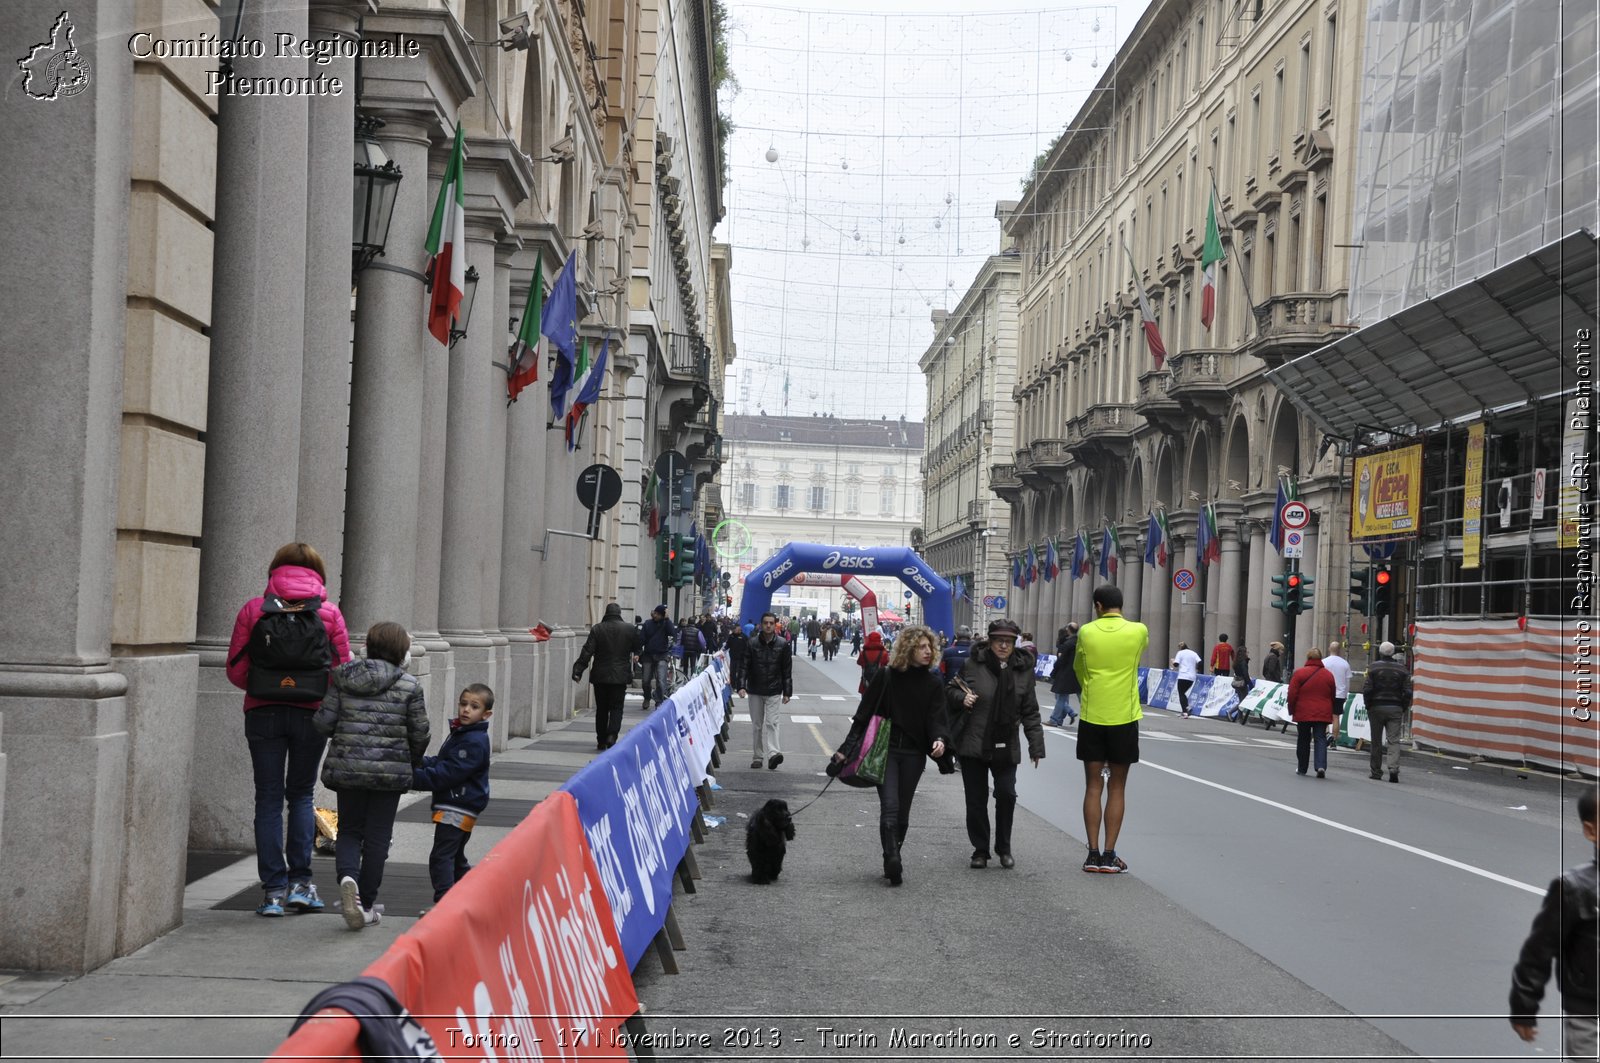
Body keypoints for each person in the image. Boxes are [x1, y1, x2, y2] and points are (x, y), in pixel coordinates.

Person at [227, 541, 353, 917]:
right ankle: (301, 884)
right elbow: (342, 671)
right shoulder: (329, 613)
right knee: (299, 796)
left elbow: (234, 669)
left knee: (267, 798)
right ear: (318, 573)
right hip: (310, 714)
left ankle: (273, 892)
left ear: (275, 569)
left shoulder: (254, 609)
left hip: (263, 712)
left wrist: (268, 686)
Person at [314, 621, 430, 930]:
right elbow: (420, 733)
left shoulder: (343, 679)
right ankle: (365, 904)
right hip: (389, 774)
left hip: (349, 768)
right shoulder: (409, 685)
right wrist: (411, 762)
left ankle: (347, 876)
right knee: (379, 836)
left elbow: (323, 723)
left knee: (350, 830)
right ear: (403, 652)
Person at [832, 625, 950, 886]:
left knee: (903, 812)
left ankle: (893, 850)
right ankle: (892, 857)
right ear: (908, 649)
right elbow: (863, 716)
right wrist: (845, 750)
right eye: (921, 646)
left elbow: (937, 719)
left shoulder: (933, 682)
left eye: (930, 646)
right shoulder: (887, 676)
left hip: (914, 754)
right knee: (890, 806)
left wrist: (940, 740)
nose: (928, 651)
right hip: (885, 750)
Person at [947, 619, 1045, 870]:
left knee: (1006, 794)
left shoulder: (1023, 670)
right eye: (998, 641)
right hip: (974, 742)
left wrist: (1036, 746)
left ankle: (1004, 847)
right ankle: (980, 850)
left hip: (1006, 743)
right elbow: (950, 691)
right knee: (976, 799)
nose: (1003, 645)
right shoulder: (972, 664)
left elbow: (1031, 712)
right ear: (989, 642)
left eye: (1008, 641)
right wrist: (962, 698)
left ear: (1015, 644)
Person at [1510, 785, 1599, 1059]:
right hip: (1589, 1015)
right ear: (1590, 831)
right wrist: (1524, 1007)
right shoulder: (1573, 888)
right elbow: (1538, 951)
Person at [1073, 585, 1149, 874]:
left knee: (1093, 785)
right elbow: (1137, 659)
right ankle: (1109, 855)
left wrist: (1092, 687)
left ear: (1098, 605)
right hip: (1125, 716)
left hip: (1093, 714)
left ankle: (1091, 854)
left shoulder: (1086, 632)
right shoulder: (1138, 630)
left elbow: (1079, 667)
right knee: (1117, 786)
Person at [413, 684, 493, 905]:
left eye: (474, 706)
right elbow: (443, 762)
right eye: (463, 704)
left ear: (486, 714)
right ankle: (473, 898)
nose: (466, 709)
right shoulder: (464, 734)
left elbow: (447, 774)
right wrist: (419, 763)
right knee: (455, 857)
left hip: (458, 806)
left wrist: (412, 778)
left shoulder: (473, 741)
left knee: (441, 857)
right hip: (458, 804)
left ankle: (444, 904)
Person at [573, 603, 642, 750]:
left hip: (601, 675)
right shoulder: (629, 629)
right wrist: (636, 654)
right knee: (617, 707)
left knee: (602, 709)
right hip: (620, 676)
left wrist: (578, 670)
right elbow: (638, 645)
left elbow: (587, 651)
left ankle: (601, 739)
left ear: (606, 613)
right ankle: (612, 735)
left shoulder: (597, 629)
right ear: (619, 613)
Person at [738, 612, 792, 770]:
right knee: (757, 725)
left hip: (774, 690)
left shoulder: (783, 644)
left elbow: (786, 670)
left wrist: (787, 692)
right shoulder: (751, 643)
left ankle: (774, 754)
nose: (768, 625)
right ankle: (757, 756)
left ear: (775, 625)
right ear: (761, 625)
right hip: (755, 689)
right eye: (765, 623)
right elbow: (743, 666)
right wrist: (741, 686)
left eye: (771, 623)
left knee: (772, 723)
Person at [1362, 640, 1412, 782]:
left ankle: (1376, 771)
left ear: (1380, 652)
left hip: (1376, 706)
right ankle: (1393, 768)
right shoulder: (1402, 669)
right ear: (1393, 653)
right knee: (1394, 740)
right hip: (1395, 707)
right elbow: (1407, 691)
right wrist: (1403, 706)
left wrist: (1368, 704)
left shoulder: (1373, 668)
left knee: (1376, 740)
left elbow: (1367, 689)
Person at [1287, 647, 1338, 778]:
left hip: (1303, 711)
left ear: (1308, 658)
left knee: (1303, 739)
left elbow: (1292, 694)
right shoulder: (1328, 675)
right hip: (1322, 711)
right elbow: (1332, 695)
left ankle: (1302, 767)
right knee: (1320, 738)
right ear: (1320, 659)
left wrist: (1291, 709)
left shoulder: (1299, 673)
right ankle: (1320, 766)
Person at [638, 605, 676, 710]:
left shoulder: (666, 624)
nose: (655, 615)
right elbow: (641, 639)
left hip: (662, 655)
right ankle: (647, 697)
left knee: (661, 680)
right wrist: (637, 652)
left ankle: (659, 701)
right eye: (655, 613)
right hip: (648, 655)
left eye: (658, 614)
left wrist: (667, 619)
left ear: (662, 615)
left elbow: (672, 633)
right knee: (645, 680)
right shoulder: (647, 624)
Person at [1046, 622, 1081, 727]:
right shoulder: (1080, 642)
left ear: (1069, 630)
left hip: (1066, 673)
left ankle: (1054, 719)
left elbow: (1062, 660)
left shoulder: (1068, 644)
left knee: (1061, 697)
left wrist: (1053, 671)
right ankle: (1090, 717)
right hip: (1078, 673)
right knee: (1081, 697)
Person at [1170, 641, 1201, 717]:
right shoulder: (1194, 653)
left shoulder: (1180, 653)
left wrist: (1173, 661)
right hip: (1191, 677)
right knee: (1183, 693)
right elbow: (1200, 662)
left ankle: (1185, 711)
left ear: (1180, 648)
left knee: (1181, 693)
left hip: (1183, 676)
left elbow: (1176, 664)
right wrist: (1197, 669)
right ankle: (1187, 707)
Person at [1323, 640, 1353, 715]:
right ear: (1339, 650)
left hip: (1326, 693)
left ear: (1329, 649)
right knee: (1336, 717)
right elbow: (1347, 682)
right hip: (1340, 694)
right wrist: (1346, 695)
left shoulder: (1323, 662)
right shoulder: (1345, 663)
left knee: (1324, 716)